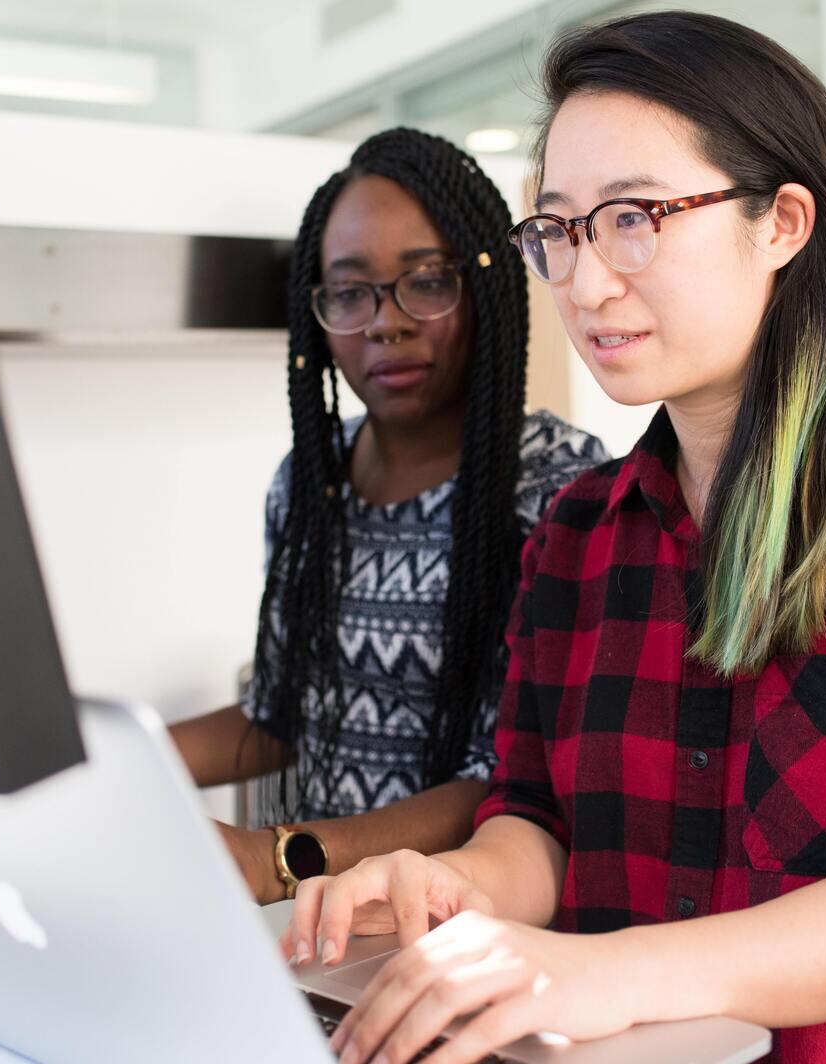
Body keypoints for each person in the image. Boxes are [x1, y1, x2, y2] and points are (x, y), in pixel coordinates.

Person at [282, 13, 826, 1064]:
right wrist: (457, 882)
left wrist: (608, 969)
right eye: (559, 230)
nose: (586, 285)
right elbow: (535, 820)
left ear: (782, 223)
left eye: (635, 216)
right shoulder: (578, 531)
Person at [169, 128, 607, 906]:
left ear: (485, 288)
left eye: (427, 282)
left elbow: (512, 780)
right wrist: (106, 763)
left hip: (468, 927)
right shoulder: (309, 484)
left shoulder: (559, 489)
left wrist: (279, 858)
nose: (386, 322)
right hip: (322, 927)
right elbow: (280, 713)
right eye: (350, 292)